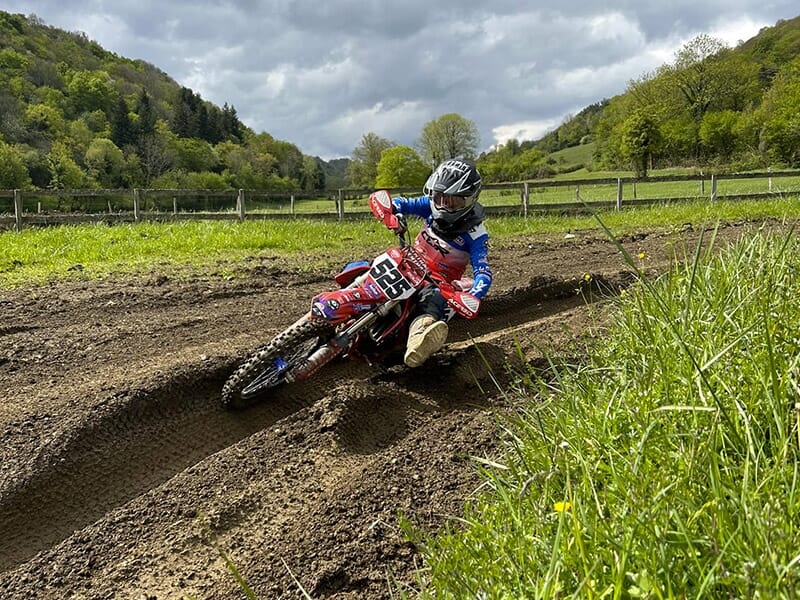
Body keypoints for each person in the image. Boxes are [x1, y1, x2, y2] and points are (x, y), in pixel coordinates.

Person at [373, 158, 493, 367]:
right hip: (408, 263)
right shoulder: (429, 205)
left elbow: (483, 272)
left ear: (469, 199)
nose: (444, 205)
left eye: (453, 201)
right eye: (440, 198)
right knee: (364, 267)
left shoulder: (476, 234)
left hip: (437, 282)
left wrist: (472, 296)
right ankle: (342, 302)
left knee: (432, 300)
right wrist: (392, 213)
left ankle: (419, 339)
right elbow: (402, 203)